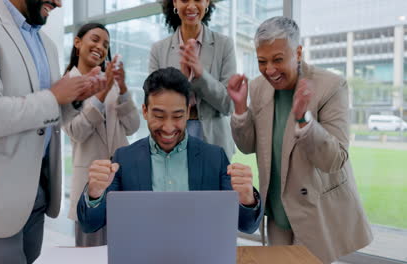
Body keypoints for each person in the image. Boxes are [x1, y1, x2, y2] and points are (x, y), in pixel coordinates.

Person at [0, 0, 105, 263]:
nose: (60, 3)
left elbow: (45, 117)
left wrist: (74, 98)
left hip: (36, 195)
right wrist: (54, 96)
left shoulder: (46, 44)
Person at [228, 16, 373, 263]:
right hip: (277, 214)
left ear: (298, 52)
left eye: (277, 60)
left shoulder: (331, 85)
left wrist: (304, 120)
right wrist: (241, 108)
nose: (269, 70)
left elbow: (335, 159)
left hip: (315, 214)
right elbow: (247, 145)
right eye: (262, 61)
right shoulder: (258, 87)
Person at [77, 67, 264, 235]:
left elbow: (247, 226)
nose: (168, 128)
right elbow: (90, 224)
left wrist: (247, 198)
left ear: (188, 111)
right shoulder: (124, 159)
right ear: (145, 111)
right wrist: (94, 193)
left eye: (177, 116)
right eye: (158, 116)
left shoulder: (214, 158)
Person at [62, 23, 140, 247]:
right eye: (94, 39)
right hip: (89, 183)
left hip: (119, 180)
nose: (100, 47)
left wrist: (122, 88)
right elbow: (76, 131)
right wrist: (102, 93)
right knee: (90, 252)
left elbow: (133, 126)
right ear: (78, 43)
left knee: (125, 250)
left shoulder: (114, 86)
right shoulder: (66, 85)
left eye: (106, 44)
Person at [149, 0, 236, 160]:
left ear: (207, 2)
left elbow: (229, 105)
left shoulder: (224, 45)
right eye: (184, 0)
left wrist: (201, 75)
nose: (191, 6)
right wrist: (181, 82)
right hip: (171, 138)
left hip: (215, 140)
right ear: (175, 3)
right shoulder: (159, 49)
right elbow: (154, 104)